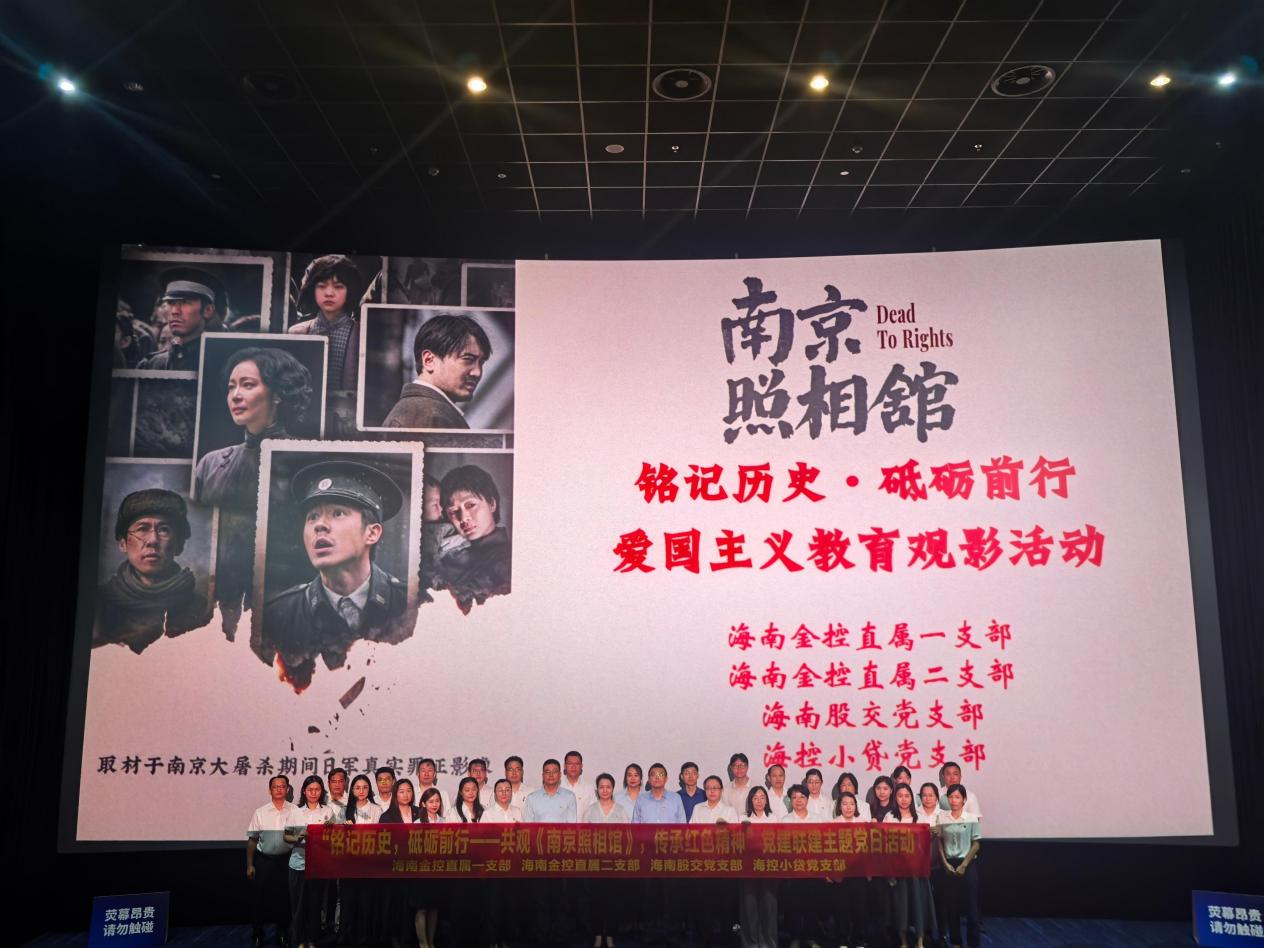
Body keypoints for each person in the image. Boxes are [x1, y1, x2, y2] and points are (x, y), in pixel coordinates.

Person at [261, 459, 411, 690]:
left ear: (372, 533)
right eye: (312, 517)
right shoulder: (278, 615)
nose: (319, 526)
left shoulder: (410, 604)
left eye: (338, 513)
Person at [195, 345, 313, 638]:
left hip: (281, 605)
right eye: (231, 387)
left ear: (278, 394)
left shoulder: (305, 463)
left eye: (247, 385)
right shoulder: (211, 464)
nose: (235, 395)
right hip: (218, 608)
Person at [94, 488, 210, 653]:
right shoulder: (99, 604)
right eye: (142, 529)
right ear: (123, 543)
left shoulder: (199, 608)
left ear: (179, 545)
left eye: (164, 530)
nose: (153, 540)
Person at [383, 313, 492, 429]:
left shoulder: (416, 411)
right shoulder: (432, 417)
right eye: (468, 359)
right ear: (429, 360)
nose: (477, 372)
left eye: (481, 362)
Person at [433, 464, 511, 613]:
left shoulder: (507, 560)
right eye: (453, 511)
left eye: (470, 505)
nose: (463, 518)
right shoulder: (450, 550)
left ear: (492, 504)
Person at [287, 254, 365, 391]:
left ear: (350, 290)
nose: (329, 293)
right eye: (322, 286)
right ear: (312, 289)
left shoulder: (362, 334)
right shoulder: (297, 333)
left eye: (338, 286)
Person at [247, 775, 301, 948]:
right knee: (259, 898)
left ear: (287, 789)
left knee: (284, 898)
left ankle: (283, 932)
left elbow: (300, 836)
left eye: (282, 786)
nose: (279, 789)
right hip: (264, 860)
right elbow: (252, 840)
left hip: (287, 860)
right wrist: (250, 864)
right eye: (275, 786)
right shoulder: (260, 812)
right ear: (270, 790)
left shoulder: (295, 810)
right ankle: (257, 934)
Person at [138, 266, 227, 371]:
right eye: (171, 303)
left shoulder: (225, 362)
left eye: (185, 302)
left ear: (207, 310)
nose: (175, 311)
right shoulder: (151, 365)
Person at [285, 775, 337, 948]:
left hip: (319, 866)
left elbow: (333, 839)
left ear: (321, 791)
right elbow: (286, 836)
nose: (313, 793)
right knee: (299, 906)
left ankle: (313, 939)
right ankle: (299, 940)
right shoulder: (296, 812)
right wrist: (298, 837)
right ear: (304, 791)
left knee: (315, 905)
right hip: (298, 864)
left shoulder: (327, 811)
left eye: (317, 789)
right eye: (310, 790)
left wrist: (330, 832)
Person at [885, 784, 936, 948]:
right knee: (901, 907)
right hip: (898, 871)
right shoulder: (889, 817)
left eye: (907, 796)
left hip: (917, 871)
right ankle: (904, 942)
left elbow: (925, 846)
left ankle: (920, 942)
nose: (904, 799)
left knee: (918, 906)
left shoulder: (919, 817)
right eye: (900, 796)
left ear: (912, 798)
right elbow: (886, 846)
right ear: (895, 798)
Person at [584, 774, 628, 948]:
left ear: (613, 789)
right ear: (597, 789)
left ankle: (610, 935)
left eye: (608, 787)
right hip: (595, 864)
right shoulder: (590, 810)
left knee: (613, 901)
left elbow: (627, 838)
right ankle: (597, 935)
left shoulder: (621, 810)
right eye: (601, 787)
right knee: (595, 901)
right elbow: (584, 838)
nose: (605, 790)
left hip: (615, 864)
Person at [339, 775, 383, 947]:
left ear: (369, 789)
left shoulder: (376, 809)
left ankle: (365, 939)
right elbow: (336, 838)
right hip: (348, 865)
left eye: (365, 787)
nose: (361, 791)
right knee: (348, 903)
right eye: (357, 787)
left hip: (368, 865)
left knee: (366, 903)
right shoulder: (344, 810)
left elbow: (381, 837)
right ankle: (346, 938)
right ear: (352, 790)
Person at [937, 785, 981, 948]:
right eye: (951, 797)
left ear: (964, 799)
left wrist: (964, 865)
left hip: (967, 863)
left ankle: (973, 944)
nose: (954, 800)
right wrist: (945, 864)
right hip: (948, 864)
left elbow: (976, 843)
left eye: (957, 797)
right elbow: (939, 842)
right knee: (952, 907)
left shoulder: (971, 818)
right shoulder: (942, 818)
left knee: (971, 909)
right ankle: (956, 943)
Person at [781, 785, 823, 948]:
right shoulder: (785, 820)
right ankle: (795, 938)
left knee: (812, 904)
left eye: (802, 797)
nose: (798, 801)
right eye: (794, 797)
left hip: (813, 869)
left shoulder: (817, 819)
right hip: (793, 870)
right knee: (794, 906)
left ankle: (810, 937)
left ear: (807, 799)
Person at [739, 787, 778, 948]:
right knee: (749, 905)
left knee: (769, 905)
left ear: (767, 800)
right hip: (748, 869)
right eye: (755, 798)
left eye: (762, 797)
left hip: (769, 867)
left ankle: (769, 942)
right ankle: (751, 943)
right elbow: (739, 843)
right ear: (751, 800)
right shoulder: (743, 818)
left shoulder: (773, 818)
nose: (759, 801)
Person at [831, 791, 870, 948]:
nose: (848, 807)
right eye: (845, 804)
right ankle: (842, 940)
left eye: (852, 804)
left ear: (856, 806)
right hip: (841, 873)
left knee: (860, 909)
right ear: (839, 807)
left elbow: (869, 850)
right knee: (842, 909)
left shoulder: (863, 823)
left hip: (859, 873)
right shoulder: (833, 824)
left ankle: (859, 939)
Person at [522, 759, 577, 823]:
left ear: (560, 775)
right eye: (547, 772)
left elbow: (572, 824)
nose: (551, 775)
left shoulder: (569, 796)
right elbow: (528, 825)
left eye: (554, 772)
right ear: (543, 775)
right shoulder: (532, 798)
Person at [562, 750, 595, 818]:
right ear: (564, 766)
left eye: (577, 764)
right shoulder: (557, 786)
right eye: (570, 763)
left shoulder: (589, 788)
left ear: (581, 766)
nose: (573, 767)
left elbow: (593, 814)